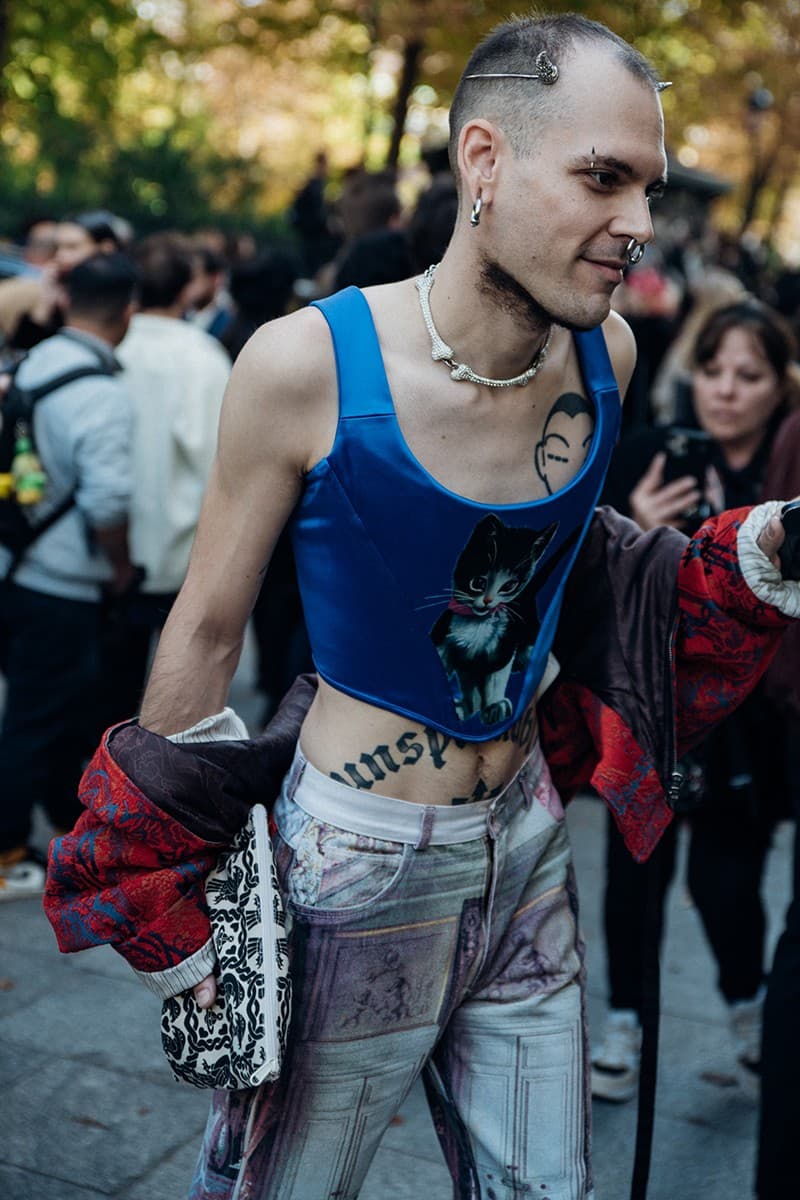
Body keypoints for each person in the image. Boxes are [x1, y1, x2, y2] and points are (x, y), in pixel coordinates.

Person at [43, 16, 800, 1200]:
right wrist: (178, 908)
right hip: (350, 862)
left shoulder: (606, 349)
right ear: (484, 161)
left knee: (550, 1190)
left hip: (530, 842)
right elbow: (203, 630)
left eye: (646, 185)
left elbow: (579, 569)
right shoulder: (302, 364)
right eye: (601, 177)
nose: (640, 224)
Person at [591, 299, 800, 1103]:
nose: (726, 390)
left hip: (746, 724)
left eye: (747, 375)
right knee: (632, 868)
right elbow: (589, 557)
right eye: (712, 371)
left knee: (729, 877)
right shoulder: (657, 454)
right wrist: (636, 526)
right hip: (652, 704)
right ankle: (625, 1024)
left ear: (778, 384)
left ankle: (746, 1006)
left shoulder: (783, 476)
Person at [0, 251, 137, 898]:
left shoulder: (34, 361)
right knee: (33, 719)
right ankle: (6, 852)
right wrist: (119, 565)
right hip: (60, 585)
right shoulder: (103, 393)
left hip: (13, 565)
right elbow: (108, 502)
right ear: (127, 311)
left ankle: (46, 822)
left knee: (27, 711)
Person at [101, 232, 231, 723]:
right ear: (186, 290)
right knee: (174, 704)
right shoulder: (204, 356)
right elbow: (222, 458)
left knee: (111, 691)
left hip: (111, 549)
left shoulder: (114, 347)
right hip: (182, 554)